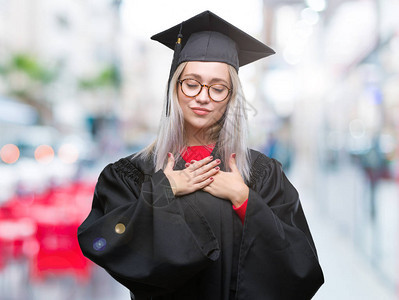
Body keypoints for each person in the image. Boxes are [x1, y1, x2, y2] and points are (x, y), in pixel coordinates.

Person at [78, 10, 324, 300]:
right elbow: (103, 241)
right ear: (174, 88)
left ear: (232, 96)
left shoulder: (260, 174)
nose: (203, 96)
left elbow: (302, 269)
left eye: (218, 88)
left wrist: (245, 201)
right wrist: (163, 191)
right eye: (192, 83)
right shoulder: (133, 173)